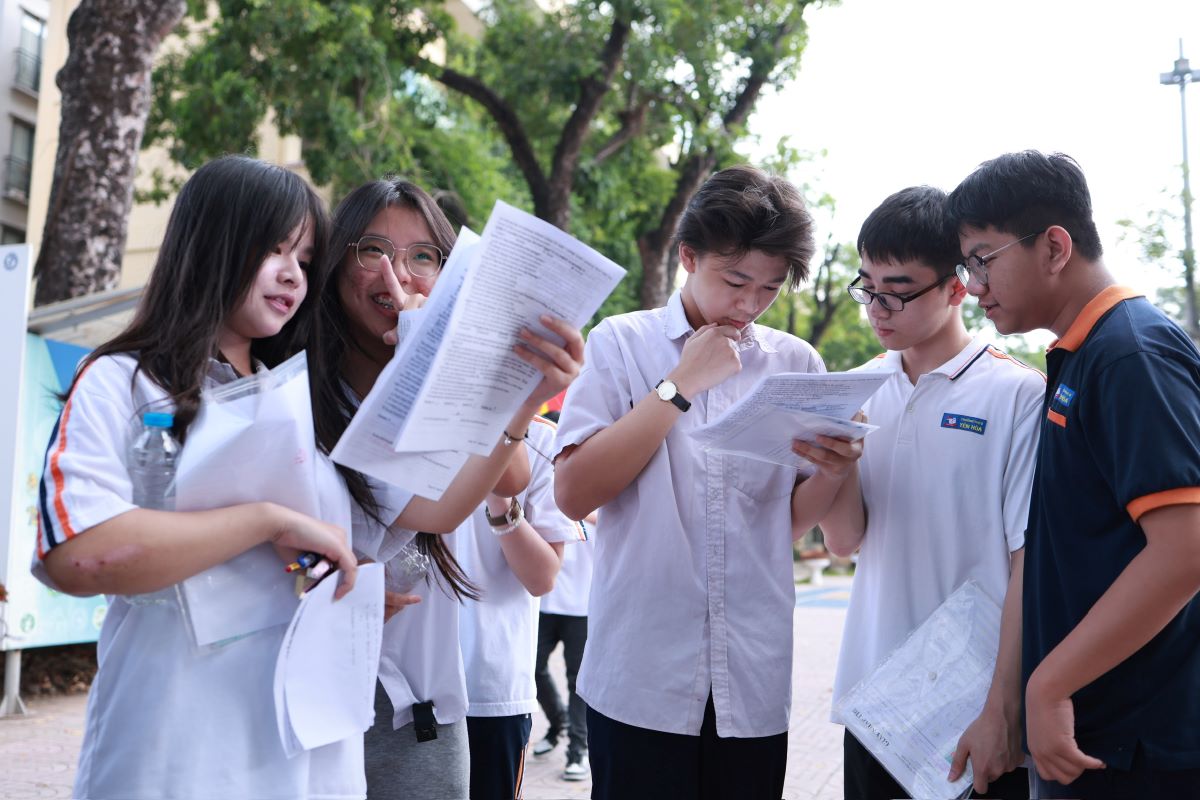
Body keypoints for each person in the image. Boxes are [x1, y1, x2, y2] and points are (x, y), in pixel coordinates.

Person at [32, 155, 365, 800]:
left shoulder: (304, 399)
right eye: (273, 248)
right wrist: (266, 521)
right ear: (212, 242)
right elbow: (78, 556)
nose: (292, 274)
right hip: (173, 746)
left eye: (304, 259)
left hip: (303, 745)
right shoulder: (122, 382)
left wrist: (335, 575)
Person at [552, 164, 863, 800]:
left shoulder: (795, 363)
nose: (749, 305)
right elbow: (573, 493)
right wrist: (679, 385)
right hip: (641, 673)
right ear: (688, 257)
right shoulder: (622, 344)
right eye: (736, 281)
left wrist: (836, 468)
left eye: (770, 288)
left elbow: (781, 524)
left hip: (752, 674)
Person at [315, 177, 584, 800]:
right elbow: (437, 510)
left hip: (426, 699)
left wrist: (517, 393)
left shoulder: (446, 384)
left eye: (423, 256)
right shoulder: (305, 389)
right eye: (373, 250)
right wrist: (318, 579)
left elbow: (510, 478)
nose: (398, 274)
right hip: (321, 684)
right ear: (335, 263)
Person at [947, 150, 1200, 799]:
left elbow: (1186, 549)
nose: (973, 285)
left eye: (982, 259)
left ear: (1055, 247)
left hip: (1137, 748)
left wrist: (1049, 684)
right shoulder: (1085, 352)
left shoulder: (1130, 354)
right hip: (1094, 739)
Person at [818, 186, 1042, 799]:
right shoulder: (857, 388)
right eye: (867, 287)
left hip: (973, 708)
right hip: (874, 696)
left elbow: (1028, 561)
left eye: (898, 291)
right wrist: (835, 466)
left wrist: (1003, 708)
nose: (877, 308)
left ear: (957, 287)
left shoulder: (1017, 394)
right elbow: (843, 541)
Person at [458, 414, 585, 800]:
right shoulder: (385, 415)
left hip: (488, 685)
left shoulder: (541, 439)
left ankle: (574, 743)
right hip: (397, 683)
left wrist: (500, 499)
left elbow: (542, 578)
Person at [530, 507, 594, 781]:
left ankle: (577, 750)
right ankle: (559, 723)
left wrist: (581, 510)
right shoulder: (547, 499)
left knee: (578, 681)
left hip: (583, 607)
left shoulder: (597, 503)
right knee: (532, 668)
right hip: (545, 603)